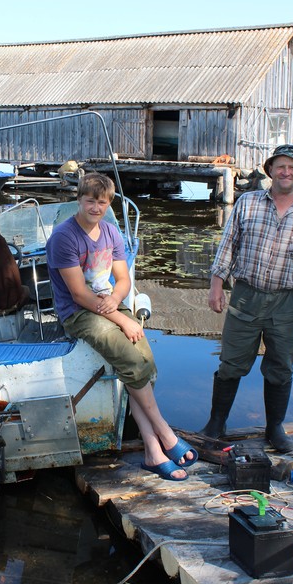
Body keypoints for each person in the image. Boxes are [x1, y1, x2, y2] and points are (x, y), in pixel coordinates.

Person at [46, 172, 198, 482]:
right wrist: (122, 319)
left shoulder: (111, 233)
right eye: (90, 201)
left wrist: (116, 301)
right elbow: (79, 294)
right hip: (78, 312)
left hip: (111, 304)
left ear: (109, 203)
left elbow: (124, 279)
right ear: (79, 199)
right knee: (131, 360)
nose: (96, 207)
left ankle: (152, 452)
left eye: (102, 202)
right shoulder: (64, 236)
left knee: (147, 366)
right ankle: (164, 433)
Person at [200, 144, 293, 452]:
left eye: (292, 167)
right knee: (231, 363)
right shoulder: (247, 203)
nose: (286, 172)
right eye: (280, 166)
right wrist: (216, 284)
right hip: (246, 297)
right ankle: (216, 424)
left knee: (281, 367)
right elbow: (228, 246)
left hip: (287, 304)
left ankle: (274, 428)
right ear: (270, 170)